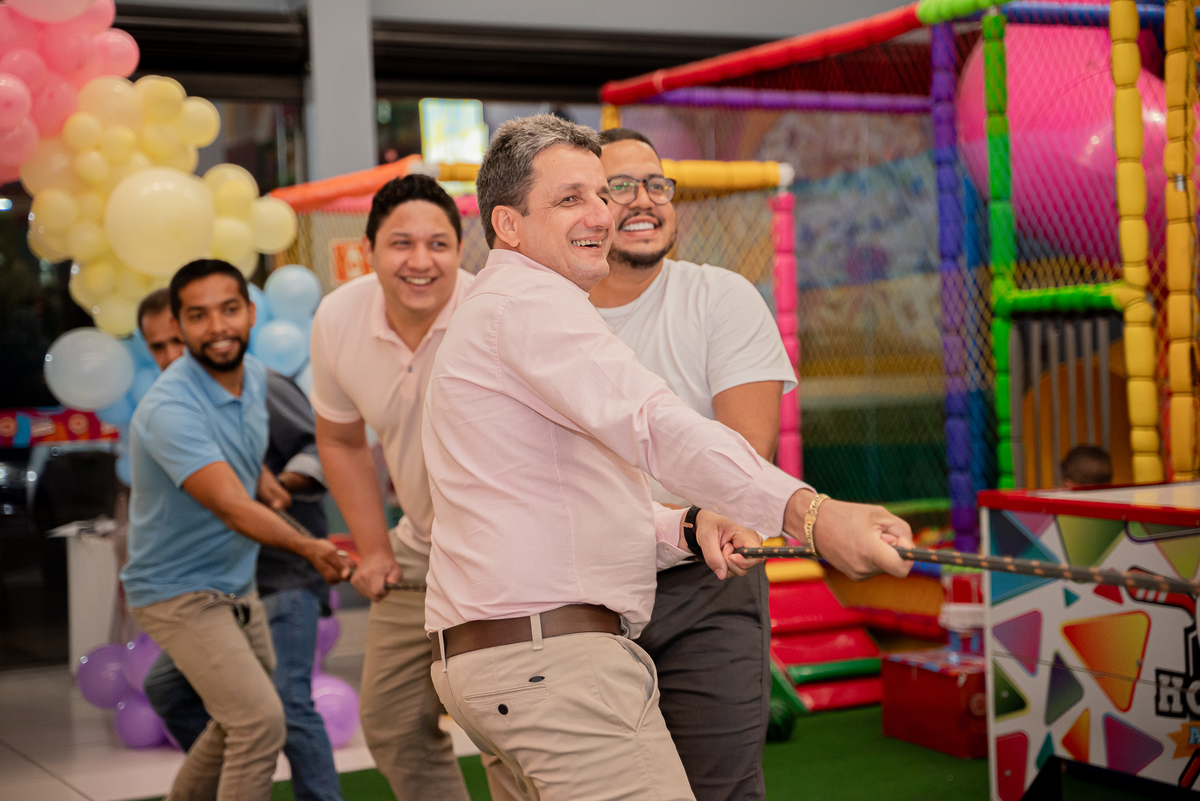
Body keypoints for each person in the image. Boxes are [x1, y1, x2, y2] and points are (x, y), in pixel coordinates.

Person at [423, 113, 914, 801]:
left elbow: (561, 496)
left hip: (511, 659)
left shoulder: (508, 306)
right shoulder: (531, 303)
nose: (602, 213)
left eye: (602, 193)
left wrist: (684, 525)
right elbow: (655, 424)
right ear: (508, 224)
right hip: (550, 659)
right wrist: (812, 514)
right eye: (571, 198)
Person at [588, 127, 797, 801]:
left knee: (719, 787)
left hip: (706, 578)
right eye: (620, 186)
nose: (644, 199)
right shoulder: (552, 317)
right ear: (585, 206)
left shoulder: (719, 296)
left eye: (657, 184)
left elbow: (740, 462)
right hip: (583, 590)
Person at [310, 174, 515, 800]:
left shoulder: (498, 317)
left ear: (461, 251)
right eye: (401, 243)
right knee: (394, 724)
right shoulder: (338, 317)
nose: (420, 261)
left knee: (509, 728)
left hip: (508, 559)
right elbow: (341, 439)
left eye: (438, 244)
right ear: (368, 250)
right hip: (420, 548)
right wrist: (374, 550)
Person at [120, 260, 350, 801]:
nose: (218, 327)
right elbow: (230, 506)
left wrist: (265, 476)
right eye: (198, 316)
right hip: (179, 593)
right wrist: (310, 546)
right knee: (260, 722)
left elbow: (241, 454)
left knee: (241, 718)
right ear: (180, 325)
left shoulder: (255, 380)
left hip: (235, 584)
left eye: (228, 310)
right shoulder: (168, 407)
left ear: (250, 312)